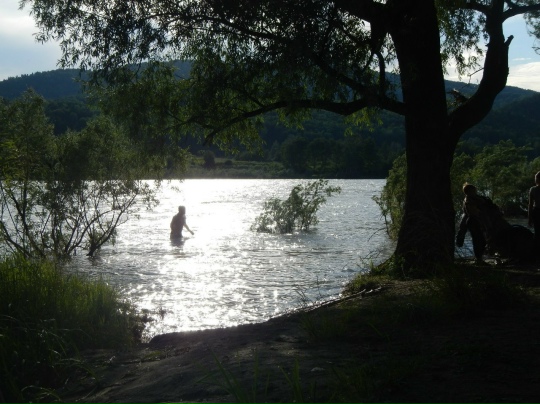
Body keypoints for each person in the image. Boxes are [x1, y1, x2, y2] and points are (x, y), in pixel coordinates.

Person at [528, 171, 540, 243]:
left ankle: (536, 246)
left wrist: (529, 218)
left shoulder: (533, 189)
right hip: (537, 212)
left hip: (536, 212)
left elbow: (530, 205)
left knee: (537, 233)